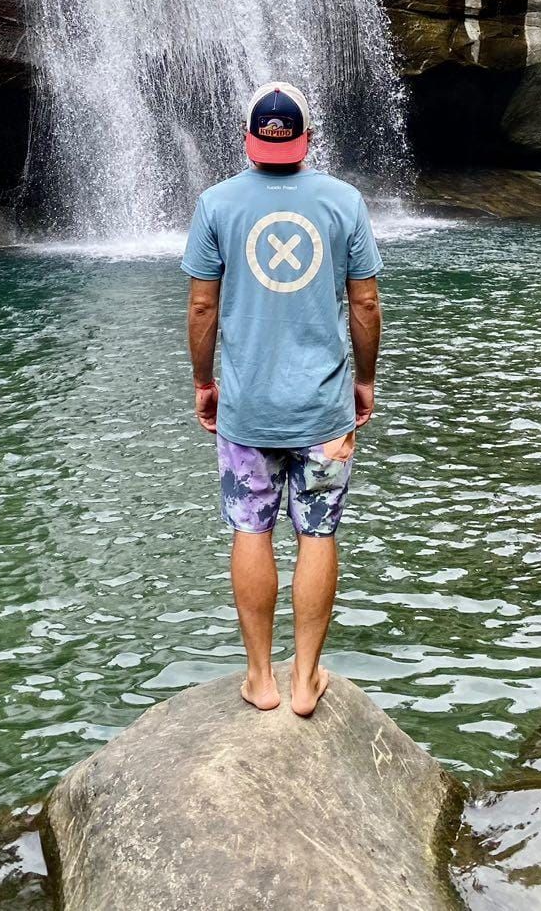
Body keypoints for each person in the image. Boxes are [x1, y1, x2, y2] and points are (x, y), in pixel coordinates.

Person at [182, 82, 382, 717]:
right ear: (308, 139)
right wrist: (366, 379)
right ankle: (305, 681)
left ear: (246, 138)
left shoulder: (216, 203)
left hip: (247, 407)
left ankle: (261, 679)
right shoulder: (343, 202)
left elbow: (202, 305)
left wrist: (203, 382)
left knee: (251, 526)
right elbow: (366, 302)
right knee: (317, 533)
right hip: (324, 410)